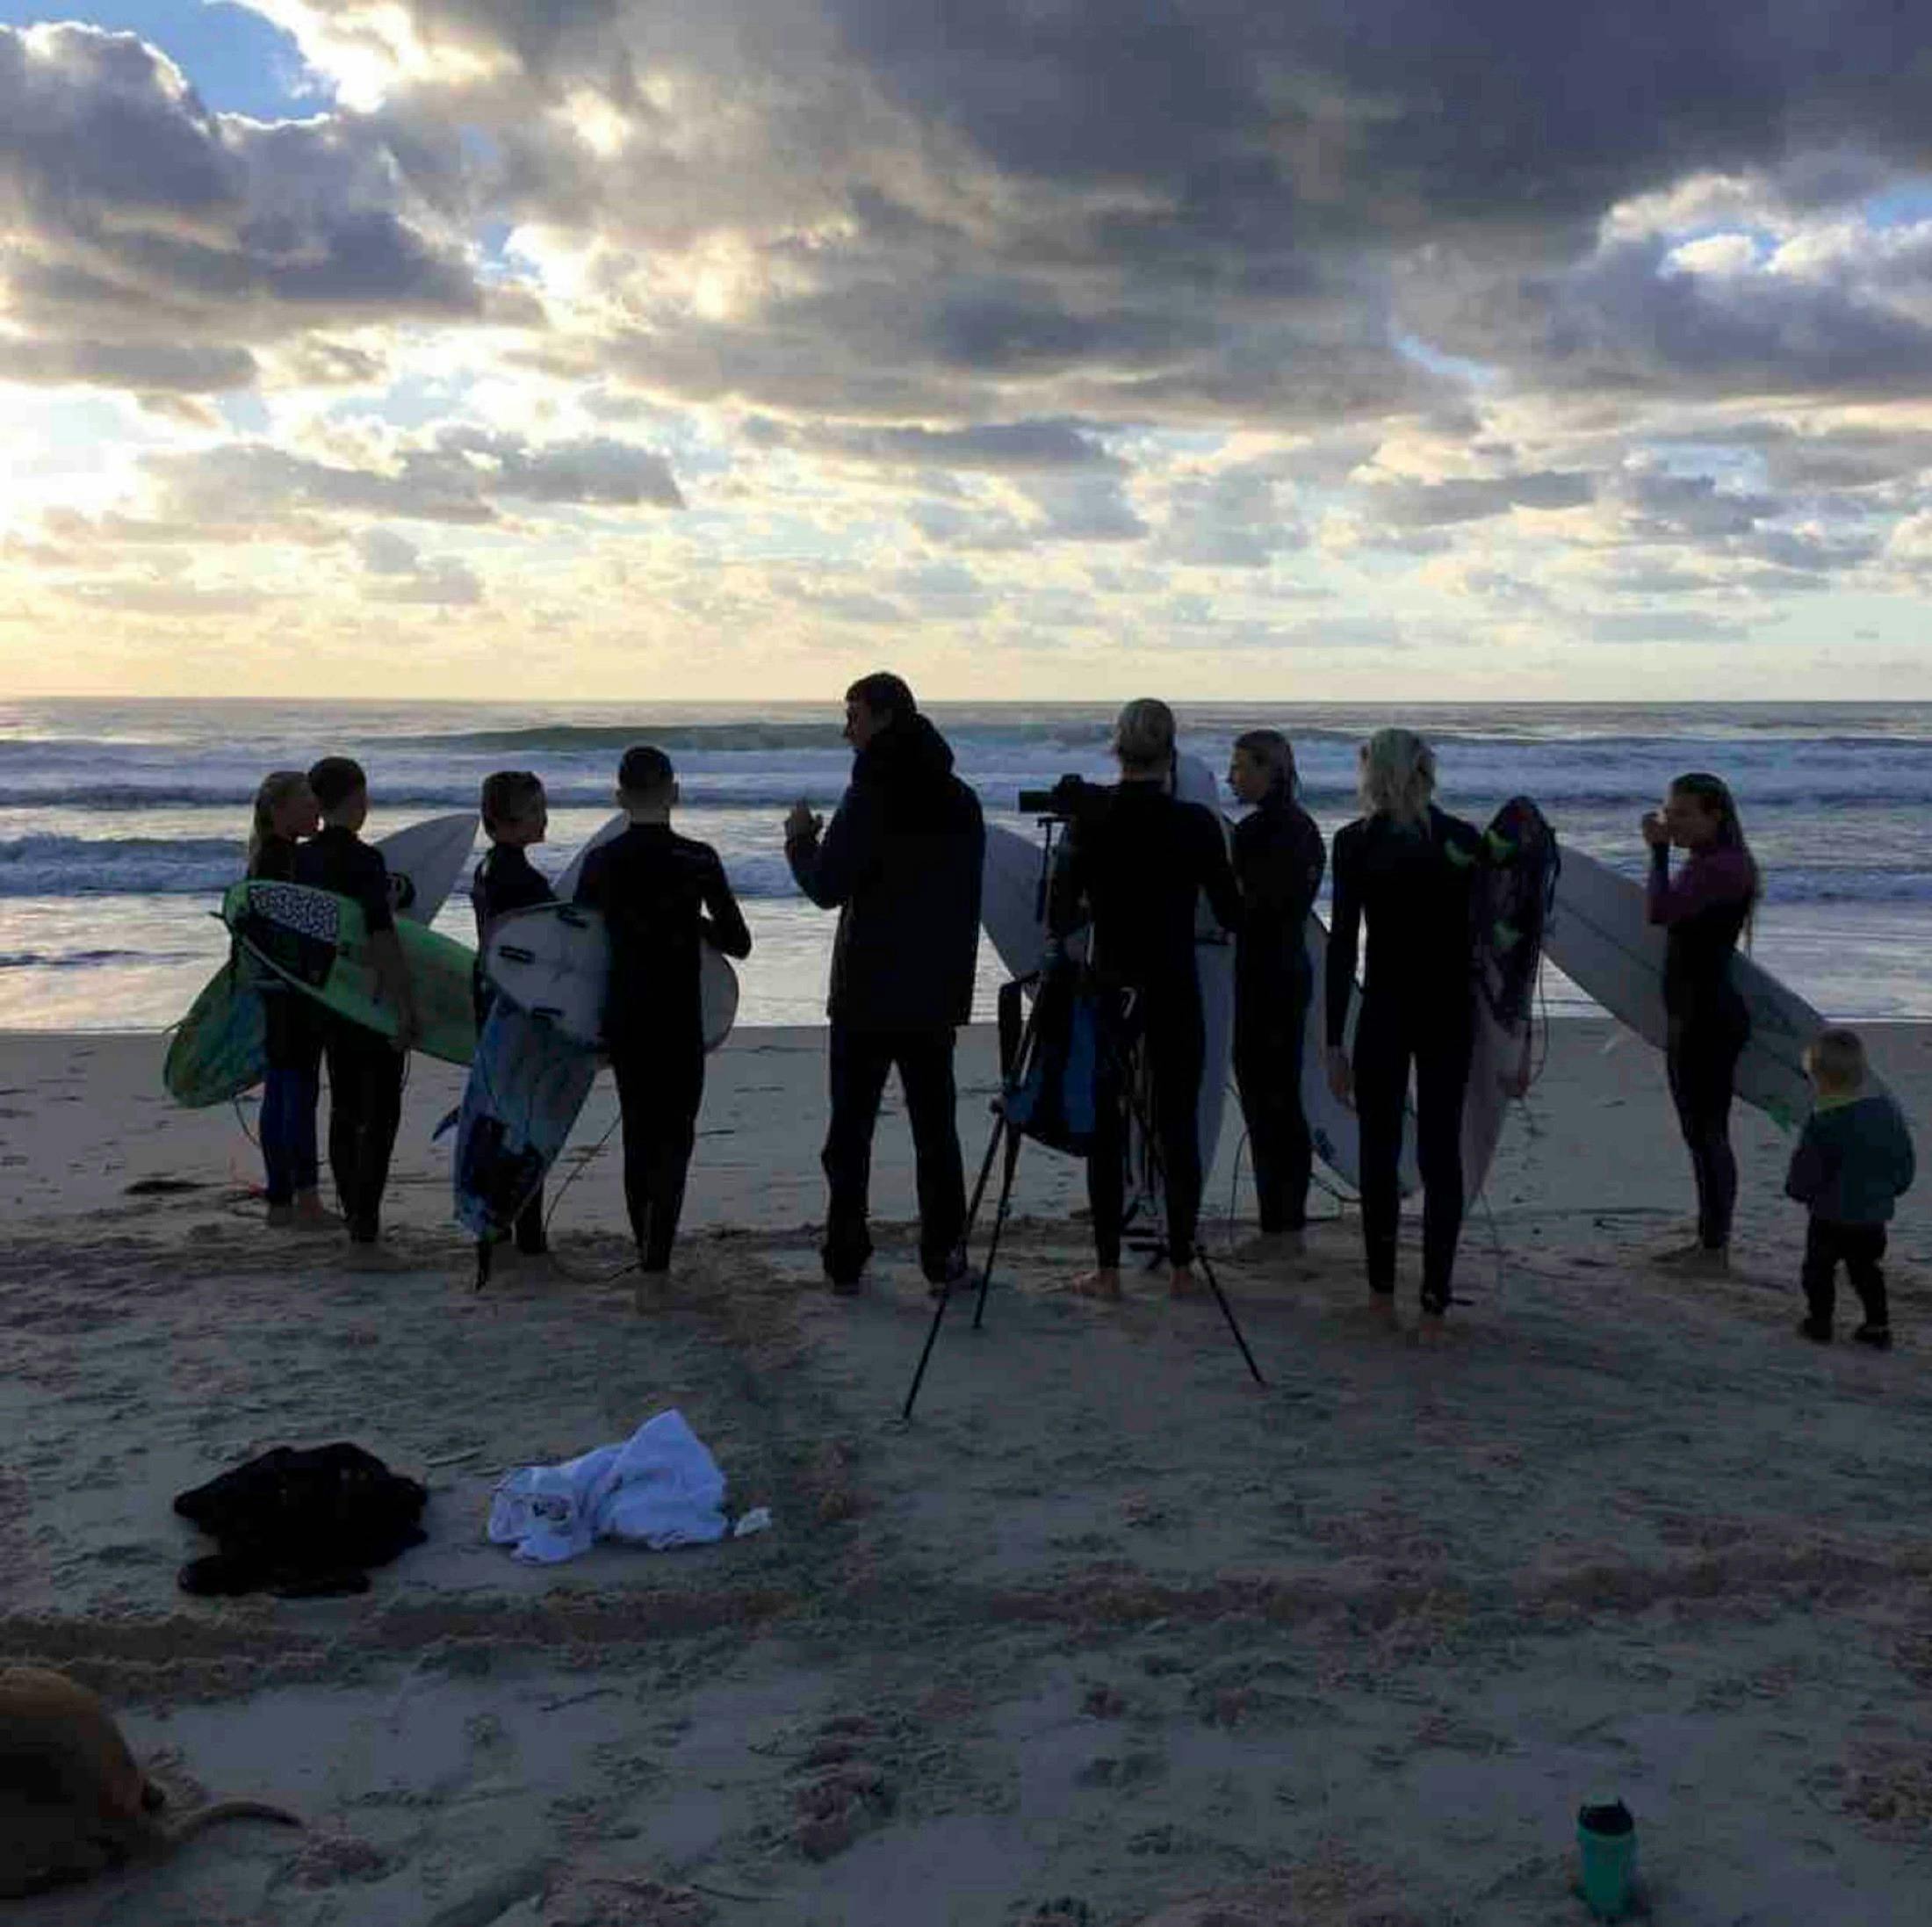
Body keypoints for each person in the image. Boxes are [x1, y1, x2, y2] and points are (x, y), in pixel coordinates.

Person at [784, 673, 984, 1295]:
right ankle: (943, 1254)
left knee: (851, 1132)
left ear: (885, 718)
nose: (847, 729)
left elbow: (826, 886)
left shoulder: (870, 795)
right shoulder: (959, 797)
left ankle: (846, 1252)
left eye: (854, 716)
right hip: (933, 990)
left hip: (868, 990)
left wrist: (799, 841)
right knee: (935, 1133)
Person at [1049, 698, 1243, 1302]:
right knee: (1179, 1123)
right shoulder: (1195, 825)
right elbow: (1232, 912)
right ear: (1172, 754)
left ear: (1117, 749)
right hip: (1175, 981)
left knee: (1106, 1128)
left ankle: (1107, 1271)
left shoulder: (1092, 819)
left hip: (1112, 986)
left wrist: (1089, 888)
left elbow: (1059, 916)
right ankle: (1182, 1265)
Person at [576, 746, 751, 1303]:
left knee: (636, 1133)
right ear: (675, 791)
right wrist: (692, 923)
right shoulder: (699, 859)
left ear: (620, 796)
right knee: (675, 1137)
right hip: (680, 1017)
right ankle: (658, 1263)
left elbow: (579, 943)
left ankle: (642, 1252)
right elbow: (739, 942)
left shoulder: (602, 862)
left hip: (625, 1013)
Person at [1324, 728, 1481, 1331]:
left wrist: (1334, 1040)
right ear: (1426, 772)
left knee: (1378, 1152)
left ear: (1373, 773)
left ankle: (1382, 1296)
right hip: (1450, 1012)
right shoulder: (1462, 840)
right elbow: (1488, 944)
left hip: (1385, 1011)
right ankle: (1436, 1303)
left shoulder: (1354, 844)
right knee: (1442, 1154)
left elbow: (1343, 947)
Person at [294, 756, 417, 1259]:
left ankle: (355, 1220)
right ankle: (366, 1231)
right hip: (368, 1000)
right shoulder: (365, 861)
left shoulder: (300, 861)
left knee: (344, 1108)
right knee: (381, 1113)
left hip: (325, 998)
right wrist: (404, 1004)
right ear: (358, 798)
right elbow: (380, 936)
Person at [1643, 772, 1758, 1274]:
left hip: (1705, 1019)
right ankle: (1711, 1243)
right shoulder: (1715, 863)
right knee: (1703, 1133)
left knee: (1707, 1134)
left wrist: (1656, 851)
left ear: (1716, 816)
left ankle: (1714, 1249)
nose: (1674, 822)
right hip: (1700, 1014)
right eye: (1671, 812)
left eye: (1685, 813)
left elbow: (1659, 910)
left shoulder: (1718, 868)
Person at [1226, 729, 1325, 1265]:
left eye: (1241, 767)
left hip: (1261, 974)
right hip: (1292, 969)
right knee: (1283, 1098)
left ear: (1270, 770)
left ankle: (1279, 1230)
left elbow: (1246, 912)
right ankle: (1289, 1224)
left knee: (1268, 1103)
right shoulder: (1307, 829)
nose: (1232, 777)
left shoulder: (1257, 832)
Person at [469, 770, 554, 1258]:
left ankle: (503, 1227)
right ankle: (527, 1235)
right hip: (518, 1006)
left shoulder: (489, 868)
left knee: (505, 1116)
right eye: (536, 810)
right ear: (505, 820)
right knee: (527, 1121)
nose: (545, 817)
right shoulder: (518, 877)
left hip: (492, 996)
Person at [1785, 1028, 1914, 1349]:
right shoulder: (1886, 1112)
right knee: (1866, 1270)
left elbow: (1809, 1168)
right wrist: (1892, 1188)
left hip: (1830, 1214)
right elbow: (1903, 1159)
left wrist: (1798, 1190)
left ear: (1818, 1076)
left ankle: (1820, 1322)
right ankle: (1877, 1325)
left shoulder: (1825, 1121)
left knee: (1818, 1270)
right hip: (1873, 1214)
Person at [246, 771, 334, 1233]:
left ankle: (282, 1201)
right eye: (307, 803)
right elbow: (304, 930)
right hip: (295, 992)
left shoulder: (265, 858)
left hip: (273, 989)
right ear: (280, 812)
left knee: (281, 1092)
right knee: (297, 1095)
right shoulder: (287, 863)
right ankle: (306, 1203)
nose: (316, 810)